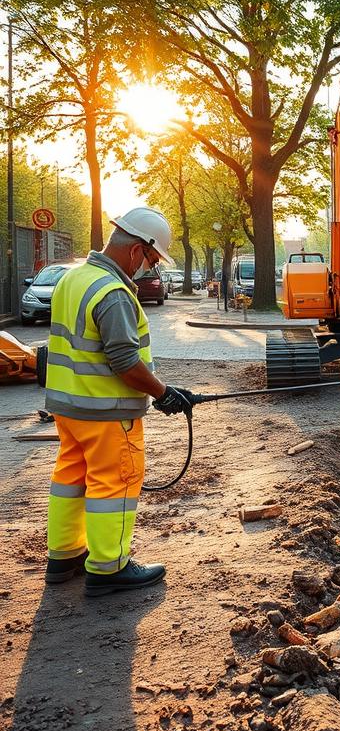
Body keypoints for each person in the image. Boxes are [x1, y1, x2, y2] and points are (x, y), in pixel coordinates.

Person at [44, 207, 199, 596]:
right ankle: (109, 566)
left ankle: (63, 556)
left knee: (71, 479)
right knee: (115, 484)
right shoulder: (113, 293)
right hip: (107, 413)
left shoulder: (74, 278)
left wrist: (161, 390)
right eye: (150, 259)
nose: (149, 268)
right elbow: (125, 362)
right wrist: (163, 393)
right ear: (136, 250)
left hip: (70, 408)